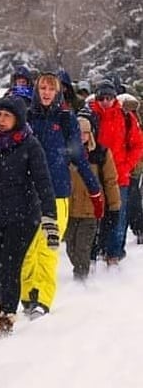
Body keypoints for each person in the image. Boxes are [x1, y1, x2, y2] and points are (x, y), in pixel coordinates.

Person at [21, 72, 103, 318]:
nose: (46, 92)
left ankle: (43, 299)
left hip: (57, 194)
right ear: (37, 90)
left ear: (58, 92)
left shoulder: (66, 119)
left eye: (51, 89)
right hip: (29, 193)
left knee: (48, 247)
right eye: (43, 88)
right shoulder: (27, 117)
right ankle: (27, 295)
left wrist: (94, 191)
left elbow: (78, 157)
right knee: (26, 249)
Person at [0, 96, 56, 334]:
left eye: (7, 116)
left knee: (9, 266)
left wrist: (49, 217)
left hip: (23, 215)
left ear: (18, 119)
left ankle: (7, 315)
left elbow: (43, 181)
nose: (2, 121)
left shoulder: (30, 144)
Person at [89, 80, 143, 263]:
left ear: (115, 98)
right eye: (102, 98)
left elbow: (137, 145)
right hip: (95, 174)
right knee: (96, 216)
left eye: (109, 98)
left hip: (120, 176)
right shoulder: (90, 116)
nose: (105, 101)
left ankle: (114, 254)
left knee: (118, 217)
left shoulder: (126, 117)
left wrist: (127, 166)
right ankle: (96, 250)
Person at [65, 115, 120, 280]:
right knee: (70, 247)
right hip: (70, 208)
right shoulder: (65, 153)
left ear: (91, 134)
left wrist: (114, 205)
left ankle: (81, 278)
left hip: (91, 208)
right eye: (78, 132)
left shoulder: (100, 154)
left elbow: (110, 181)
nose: (82, 136)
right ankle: (80, 271)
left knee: (83, 246)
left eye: (85, 133)